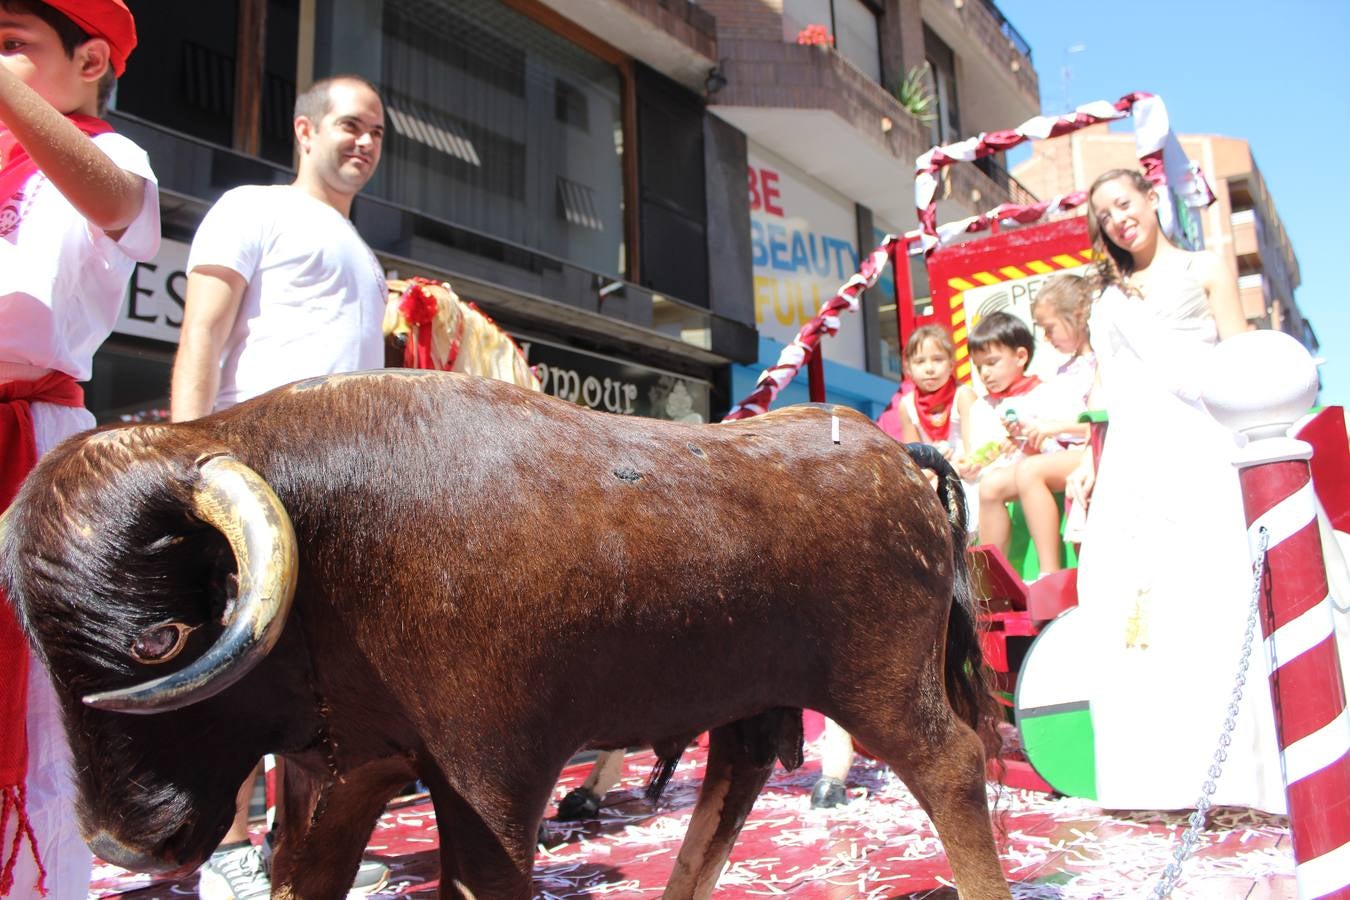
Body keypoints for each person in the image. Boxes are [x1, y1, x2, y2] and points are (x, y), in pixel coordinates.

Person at [170, 73, 389, 898]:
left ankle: (297, 852)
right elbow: (203, 337)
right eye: (348, 125)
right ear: (304, 130)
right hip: (251, 473)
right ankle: (224, 849)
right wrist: (189, 466)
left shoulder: (367, 258)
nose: (363, 141)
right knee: (235, 664)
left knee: (322, 682)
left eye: (375, 131)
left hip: (349, 491)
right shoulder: (250, 210)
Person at [1063, 167, 1284, 812]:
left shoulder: (1207, 268)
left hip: (1201, 452)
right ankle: (1157, 779)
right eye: (1104, 214)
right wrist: (1087, 452)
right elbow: (1104, 388)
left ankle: (1238, 780)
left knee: (1212, 598)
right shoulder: (1107, 298)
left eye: (1125, 204)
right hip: (1133, 465)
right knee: (1134, 612)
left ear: (1152, 200)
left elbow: (1242, 362)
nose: (1118, 219)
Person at [0, 1, 158, 896]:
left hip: (32, 450)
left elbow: (113, 199)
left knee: (30, 710)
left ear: (90, 58)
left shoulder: (110, 152)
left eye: (12, 45)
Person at [977, 277, 1096, 574]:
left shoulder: (1101, 363)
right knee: (992, 485)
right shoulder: (1063, 372)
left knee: (1031, 471)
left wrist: (1051, 429)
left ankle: (1049, 572)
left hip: (1092, 450)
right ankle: (991, 583)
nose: (1045, 336)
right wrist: (1027, 432)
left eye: (1049, 327)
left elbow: (1098, 424)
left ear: (1077, 317)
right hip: (1061, 452)